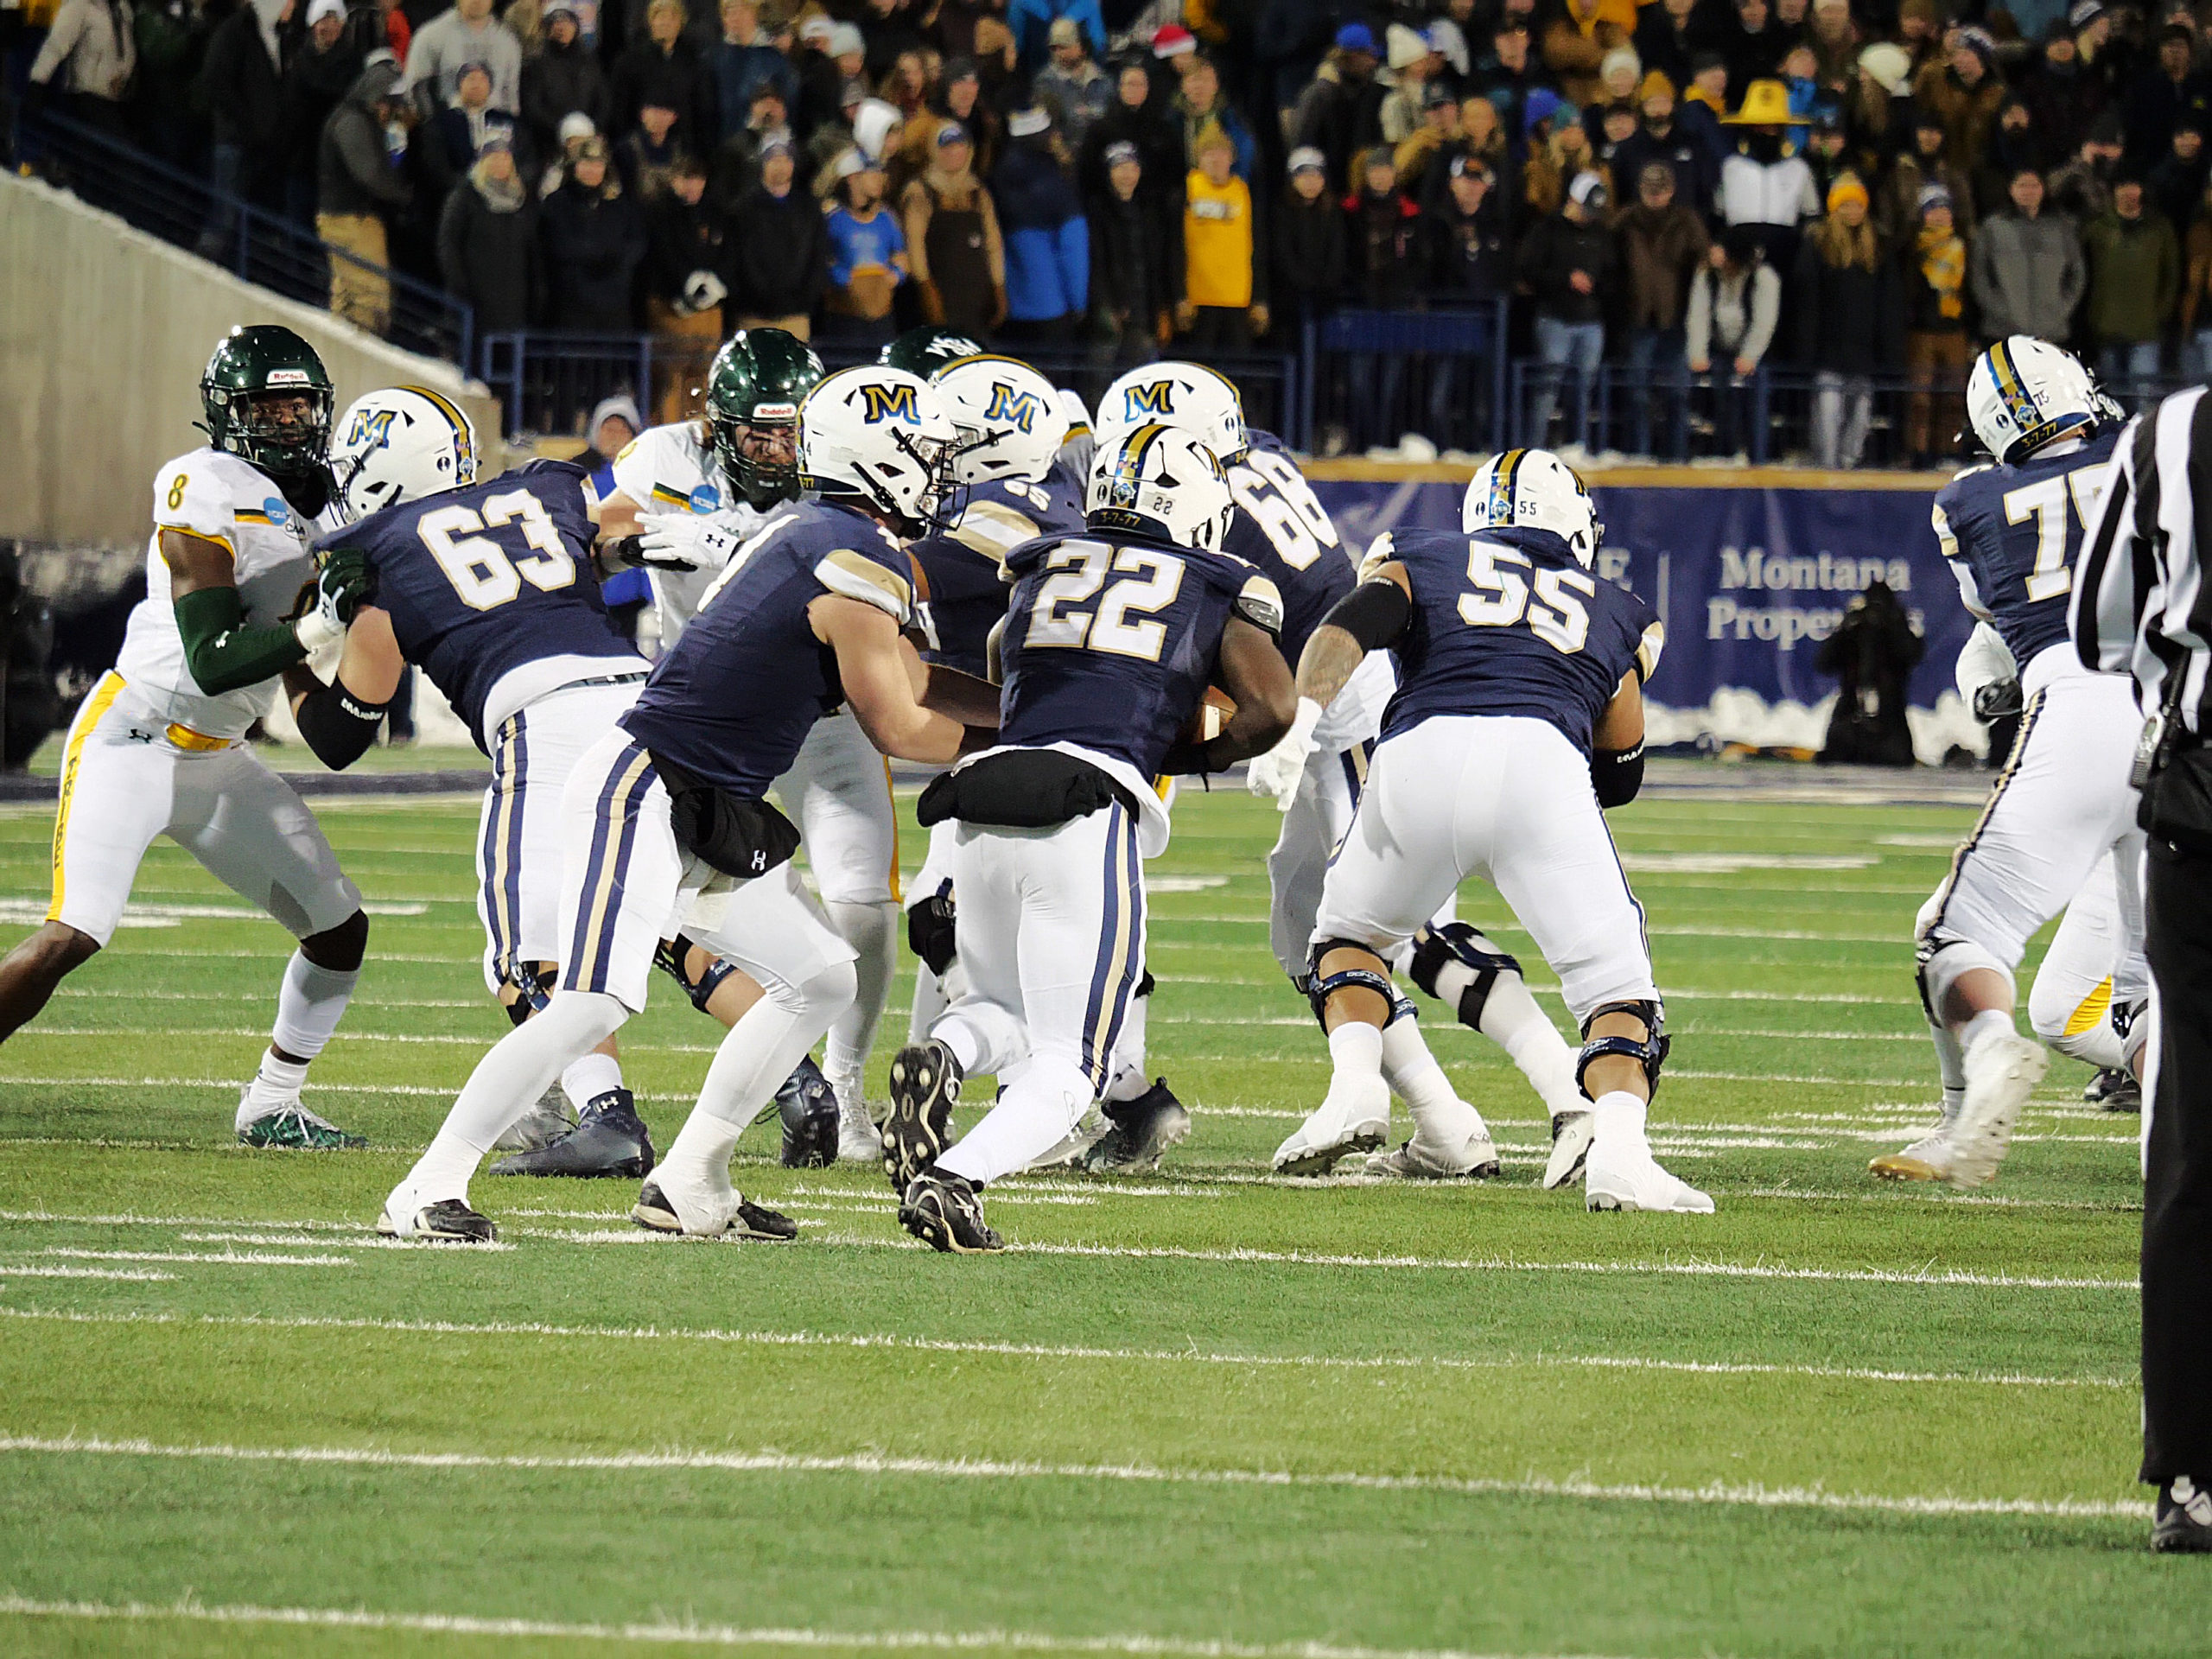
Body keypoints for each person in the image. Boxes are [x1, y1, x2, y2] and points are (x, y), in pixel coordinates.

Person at [378, 365, 990, 1243]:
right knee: (591, 1003)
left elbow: (921, 682)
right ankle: (426, 1184)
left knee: (820, 978)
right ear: (879, 459)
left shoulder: (831, 536)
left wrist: (1030, 712)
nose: (938, 471)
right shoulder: (849, 555)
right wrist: (1032, 740)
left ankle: (692, 1180)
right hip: (646, 786)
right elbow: (899, 723)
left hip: (703, 798)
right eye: (924, 453)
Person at [880, 423, 1294, 1250]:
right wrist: (1187, 750)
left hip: (983, 795)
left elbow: (1001, 660)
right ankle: (954, 1180)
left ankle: (947, 1054)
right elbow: (1275, 708)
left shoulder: (1040, 560)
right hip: (1084, 804)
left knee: (997, 1006)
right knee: (1074, 1064)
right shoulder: (1218, 577)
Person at [1268, 448, 1711, 1213]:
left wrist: (1304, 715)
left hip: (1421, 751)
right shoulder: (1620, 608)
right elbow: (1621, 771)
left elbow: (1353, 625)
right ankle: (1621, 1156)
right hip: (1542, 759)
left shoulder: (1420, 554)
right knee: (1617, 991)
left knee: (1348, 938)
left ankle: (1354, 1088)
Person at [0, 327, 370, 1148]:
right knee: (73, 933)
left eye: (298, 405)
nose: (286, 421)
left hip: (221, 756)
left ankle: (271, 1102)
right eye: (266, 407)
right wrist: (318, 626)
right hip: (134, 735)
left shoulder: (341, 499)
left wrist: (332, 687)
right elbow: (211, 656)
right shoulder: (204, 483)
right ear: (227, 414)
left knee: (339, 929)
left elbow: (287, 642)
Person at [312, 389, 658, 1171]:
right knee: (683, 921)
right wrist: (604, 553)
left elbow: (340, 735)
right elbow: (620, 522)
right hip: (642, 698)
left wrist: (300, 648)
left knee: (524, 949)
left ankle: (602, 1113)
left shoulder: (382, 547)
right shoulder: (542, 487)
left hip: (545, 719)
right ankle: (800, 1086)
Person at [593, 334, 900, 1160]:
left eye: (788, 433)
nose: (774, 451)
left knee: (864, 905)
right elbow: (599, 535)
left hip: (823, 714)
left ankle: (845, 1089)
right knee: (693, 904)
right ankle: (784, 1069)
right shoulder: (666, 455)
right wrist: (637, 546)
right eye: (756, 434)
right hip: (710, 721)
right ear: (717, 427)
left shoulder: (843, 467)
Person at [1872, 338, 2144, 1190]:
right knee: (2145, 988)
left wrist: (1996, 682)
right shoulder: (2149, 451)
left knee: (1952, 934)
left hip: (2082, 710)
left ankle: (1973, 1089)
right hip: (2181, 714)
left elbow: (2005, 615)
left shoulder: (1968, 500)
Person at [2070, 378, 2212, 1554]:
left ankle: (2194, 1474)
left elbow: (2096, 630)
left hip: (2202, 802)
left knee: (2194, 1145)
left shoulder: (2172, 430)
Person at [1794, 172, 1898, 469]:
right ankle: (1827, 471)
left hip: (1863, 351)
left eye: (1858, 205)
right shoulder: (1817, 245)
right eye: (1846, 205)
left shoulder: (1877, 247)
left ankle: (1848, 468)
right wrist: (1807, 348)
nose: (1853, 211)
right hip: (1828, 350)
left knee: (1860, 417)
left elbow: (1887, 303)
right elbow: (1808, 302)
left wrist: (1887, 348)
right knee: (1828, 415)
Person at [1616, 160, 1707, 461]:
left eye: (1661, 190)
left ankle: (1677, 458)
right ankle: (1640, 455)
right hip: (1638, 316)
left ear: (1672, 190)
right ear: (1640, 190)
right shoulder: (1625, 221)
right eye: (1650, 190)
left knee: (1678, 394)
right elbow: (1611, 262)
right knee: (1638, 393)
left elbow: (1704, 259)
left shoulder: (1687, 220)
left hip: (1677, 317)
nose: (1655, 196)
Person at [317, 52, 413, 336]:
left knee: (347, 294)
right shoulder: (352, 122)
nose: (389, 111)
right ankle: (362, 349)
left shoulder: (360, 120)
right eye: (387, 103)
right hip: (350, 219)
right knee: (368, 298)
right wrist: (404, 195)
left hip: (351, 218)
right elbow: (371, 174)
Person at [1517, 170, 1613, 454]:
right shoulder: (1547, 230)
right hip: (1554, 319)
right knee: (1548, 387)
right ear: (1573, 199)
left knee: (1584, 389)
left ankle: (1577, 448)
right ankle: (1534, 448)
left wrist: (1596, 286)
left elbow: (1612, 274)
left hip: (1590, 321)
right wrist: (1566, 279)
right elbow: (1529, 271)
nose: (1589, 215)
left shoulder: (1600, 233)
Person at [196, 0, 290, 257]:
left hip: (263, 146)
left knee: (248, 222)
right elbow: (215, 80)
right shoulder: (234, 31)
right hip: (235, 141)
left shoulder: (278, 34)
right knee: (224, 219)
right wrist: (247, 122)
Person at [991, 105, 1087, 346]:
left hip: (1009, 307)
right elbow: (1073, 249)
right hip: (1052, 306)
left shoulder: (995, 176)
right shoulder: (1056, 182)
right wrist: (1079, 303)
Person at [641, 151, 727, 422]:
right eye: (686, 179)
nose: (692, 186)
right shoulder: (659, 212)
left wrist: (715, 284)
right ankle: (667, 432)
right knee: (670, 378)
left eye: (698, 179)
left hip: (708, 313)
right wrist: (684, 286)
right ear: (674, 180)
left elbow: (726, 253)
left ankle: (699, 434)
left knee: (702, 379)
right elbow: (661, 254)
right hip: (670, 310)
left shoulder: (714, 212)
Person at [902, 122, 1007, 337]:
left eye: (960, 146)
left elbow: (993, 244)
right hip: (941, 296)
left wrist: (999, 288)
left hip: (978, 298)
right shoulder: (920, 192)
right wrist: (926, 290)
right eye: (946, 147)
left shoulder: (978, 192)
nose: (954, 153)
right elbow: (915, 247)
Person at [2082, 177, 2179, 404]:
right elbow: (2083, 274)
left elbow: (2172, 275)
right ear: (2115, 191)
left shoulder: (2159, 228)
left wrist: (2160, 313)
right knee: (2110, 400)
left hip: (2146, 330)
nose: (2129, 193)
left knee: (2144, 399)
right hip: (2106, 327)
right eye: (2123, 187)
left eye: (2134, 186)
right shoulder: (2096, 229)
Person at [1686, 224, 1778, 460]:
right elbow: (1698, 315)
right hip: (1721, 348)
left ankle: (1758, 457)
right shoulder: (1707, 274)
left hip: (1755, 352)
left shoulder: (1763, 277)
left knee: (1755, 402)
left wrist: (1749, 356)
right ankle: (1724, 454)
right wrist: (1698, 353)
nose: (1715, 254)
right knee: (1723, 403)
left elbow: (1764, 321)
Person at [539, 135, 648, 330]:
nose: (591, 170)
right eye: (585, 163)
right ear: (574, 166)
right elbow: (558, 247)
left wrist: (616, 266)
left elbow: (635, 245)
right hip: (570, 308)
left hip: (614, 308)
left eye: (598, 164)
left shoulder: (621, 206)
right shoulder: (557, 204)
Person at [1087, 138, 1179, 371]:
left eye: (1132, 168)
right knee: (1101, 374)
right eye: (1120, 168)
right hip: (1110, 315)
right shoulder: (1096, 211)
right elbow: (1097, 264)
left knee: (1144, 376)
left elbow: (1158, 265)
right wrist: (1109, 306)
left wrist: (1162, 309)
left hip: (1144, 315)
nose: (1127, 175)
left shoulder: (1149, 212)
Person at [437, 129, 540, 334]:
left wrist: (536, 294)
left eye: (505, 157)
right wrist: (460, 287)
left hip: (513, 304)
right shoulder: (465, 196)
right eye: (494, 157)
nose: (500, 163)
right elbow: (448, 244)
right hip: (473, 303)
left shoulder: (521, 200)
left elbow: (532, 250)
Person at [1970, 167, 2085, 348]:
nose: (2028, 191)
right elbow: (1979, 274)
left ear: (2043, 189)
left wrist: (2060, 310)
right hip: (2002, 332)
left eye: (2034, 186)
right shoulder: (1993, 227)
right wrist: (1998, 310)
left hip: (2052, 333)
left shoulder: (2062, 227)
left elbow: (2077, 273)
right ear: (2011, 189)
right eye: (2022, 185)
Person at [1899, 183, 1971, 467]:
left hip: (1955, 329)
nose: (1939, 215)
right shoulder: (1911, 249)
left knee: (1954, 396)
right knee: (1920, 397)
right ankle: (1918, 452)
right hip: (1921, 331)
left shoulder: (1964, 248)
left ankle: (1949, 451)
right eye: (1932, 209)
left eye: (1944, 209)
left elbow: (1971, 290)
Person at [1179, 122, 1265, 350]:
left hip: (1238, 298)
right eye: (1208, 153)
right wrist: (1179, 295)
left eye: (1221, 152)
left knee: (1240, 365)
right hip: (1197, 297)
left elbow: (1258, 247)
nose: (1215, 159)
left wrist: (1260, 298)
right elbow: (1175, 247)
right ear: (1198, 158)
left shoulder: (1244, 192)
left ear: (1232, 158)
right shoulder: (1186, 190)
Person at [1815, 580, 1922, 763]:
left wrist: (1895, 624)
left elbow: (1912, 654)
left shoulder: (1897, 629)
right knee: (1833, 756)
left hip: (1889, 720)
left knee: (1896, 757)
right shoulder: (1854, 631)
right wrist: (1845, 628)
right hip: (1850, 714)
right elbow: (1823, 664)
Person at [822, 149, 909, 350]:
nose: (879, 180)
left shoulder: (887, 218)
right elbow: (821, 259)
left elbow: (901, 257)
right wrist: (844, 279)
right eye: (871, 174)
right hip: (845, 317)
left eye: (880, 174)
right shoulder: (833, 218)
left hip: (881, 318)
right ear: (853, 179)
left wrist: (894, 277)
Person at [29, 0, 138, 143]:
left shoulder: (123, 8)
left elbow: (125, 52)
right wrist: (38, 81)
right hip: (85, 98)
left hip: (115, 99)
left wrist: (126, 80)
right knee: (118, 146)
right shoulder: (82, 4)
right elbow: (57, 43)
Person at [520, 0, 609, 161]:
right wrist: (563, 131)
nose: (561, 27)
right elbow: (533, 107)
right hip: (549, 145)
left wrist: (591, 128)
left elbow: (603, 100)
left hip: (588, 139)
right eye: (556, 23)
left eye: (567, 22)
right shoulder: (536, 65)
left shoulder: (590, 62)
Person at [404, 0, 520, 117]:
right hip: (445, 124)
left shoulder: (507, 41)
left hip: (496, 124)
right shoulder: (430, 37)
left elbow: (510, 100)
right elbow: (413, 93)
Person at [1032, 16, 1109, 153]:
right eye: (1054, 48)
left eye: (1064, 47)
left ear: (1082, 47)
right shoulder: (1045, 83)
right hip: (1064, 155)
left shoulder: (1103, 81)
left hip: (1099, 154)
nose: (1059, 53)